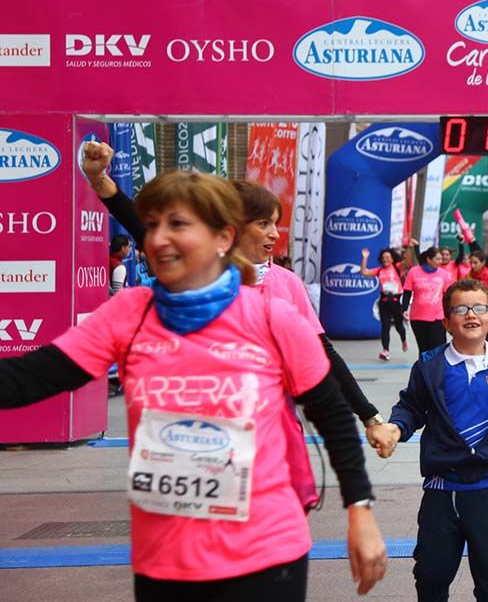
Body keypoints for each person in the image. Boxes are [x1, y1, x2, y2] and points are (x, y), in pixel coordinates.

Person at [0, 171, 387, 600]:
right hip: (163, 560)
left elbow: (331, 414)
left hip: (266, 553)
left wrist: (361, 513)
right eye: (151, 226)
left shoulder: (272, 318)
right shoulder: (129, 313)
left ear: (223, 237)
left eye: (178, 225)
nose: (158, 238)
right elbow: (26, 381)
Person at [81, 142, 396, 455]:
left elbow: (322, 353)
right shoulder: (200, 272)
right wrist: (100, 181)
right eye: (263, 224)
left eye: (275, 223)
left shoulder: (287, 283)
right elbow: (143, 230)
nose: (274, 233)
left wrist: (370, 416)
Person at [375, 278, 488, 602]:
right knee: (430, 577)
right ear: (446, 321)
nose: (470, 314)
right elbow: (411, 407)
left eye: (479, 308)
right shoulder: (431, 366)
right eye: (460, 309)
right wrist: (395, 428)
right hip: (442, 491)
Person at [405, 247, 454, 353]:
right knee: (424, 349)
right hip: (418, 317)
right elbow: (407, 292)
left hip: (438, 317)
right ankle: (424, 369)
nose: (440, 262)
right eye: (437, 259)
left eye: (441, 259)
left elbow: (448, 296)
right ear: (429, 259)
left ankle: (439, 369)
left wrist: (450, 313)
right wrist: (404, 309)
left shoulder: (443, 274)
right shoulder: (414, 272)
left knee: (438, 348)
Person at [360, 247, 407, 359]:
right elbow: (364, 272)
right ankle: (385, 350)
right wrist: (365, 258)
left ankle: (404, 339)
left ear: (392, 259)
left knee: (399, 326)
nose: (385, 259)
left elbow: (408, 261)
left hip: (396, 301)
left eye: (387, 257)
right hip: (384, 301)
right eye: (383, 258)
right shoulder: (379, 270)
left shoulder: (397, 267)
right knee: (385, 327)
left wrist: (410, 247)